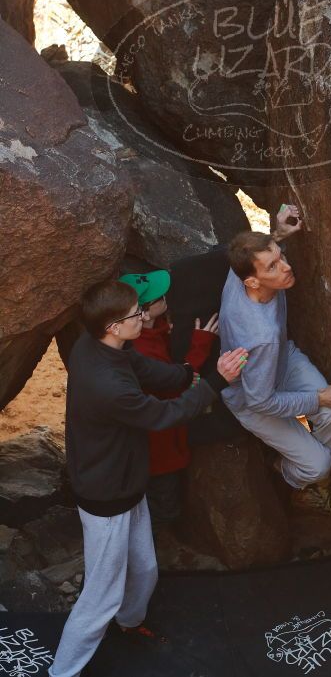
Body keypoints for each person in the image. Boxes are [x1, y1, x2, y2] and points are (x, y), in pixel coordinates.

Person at [49, 279, 247, 677]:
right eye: (135, 313)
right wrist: (214, 382)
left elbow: (148, 370)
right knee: (100, 597)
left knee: (144, 569)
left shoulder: (103, 345)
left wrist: (187, 372)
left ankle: (130, 620)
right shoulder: (108, 386)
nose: (144, 316)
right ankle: (62, 672)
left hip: (126, 482)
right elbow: (162, 416)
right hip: (106, 497)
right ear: (113, 326)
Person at [218, 215, 331, 523]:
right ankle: (295, 477)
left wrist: (277, 235)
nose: (286, 267)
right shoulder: (260, 335)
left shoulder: (239, 270)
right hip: (252, 400)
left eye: (281, 258)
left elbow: (251, 256)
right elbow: (260, 402)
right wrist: (319, 399)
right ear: (252, 282)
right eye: (273, 267)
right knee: (318, 463)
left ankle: (313, 478)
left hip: (282, 360)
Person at [118, 269, 219, 533]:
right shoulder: (141, 353)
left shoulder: (141, 336)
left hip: (155, 440)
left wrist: (167, 330)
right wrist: (200, 345)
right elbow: (176, 384)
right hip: (158, 446)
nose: (165, 297)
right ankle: (153, 550)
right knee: (164, 504)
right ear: (143, 313)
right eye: (158, 296)